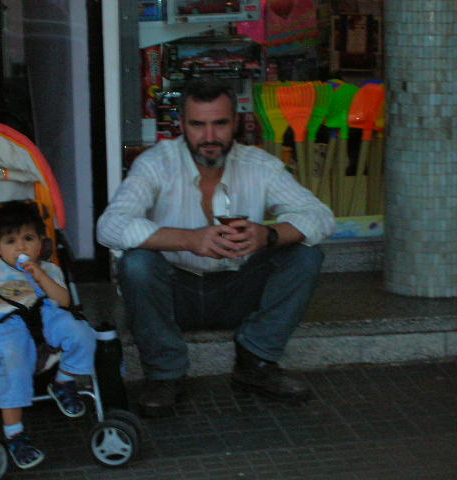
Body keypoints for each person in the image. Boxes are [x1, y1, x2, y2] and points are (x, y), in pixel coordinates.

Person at [96, 75, 335, 417]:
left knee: (305, 254)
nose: (209, 137)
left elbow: (321, 217)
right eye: (198, 125)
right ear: (182, 125)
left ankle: (257, 360)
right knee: (136, 263)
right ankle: (165, 374)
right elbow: (109, 226)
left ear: (236, 123)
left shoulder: (260, 165)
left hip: (237, 289)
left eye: (220, 123)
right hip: (175, 294)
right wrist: (188, 239)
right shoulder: (155, 163)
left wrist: (267, 235)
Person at [0, 201, 97, 468]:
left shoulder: (49, 269)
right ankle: (15, 434)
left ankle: (63, 382)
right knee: (12, 359)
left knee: (81, 332)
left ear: (41, 243)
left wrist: (40, 276)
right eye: (11, 241)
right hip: (6, 322)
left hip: (48, 315)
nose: (21, 247)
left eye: (28, 238)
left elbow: (64, 301)